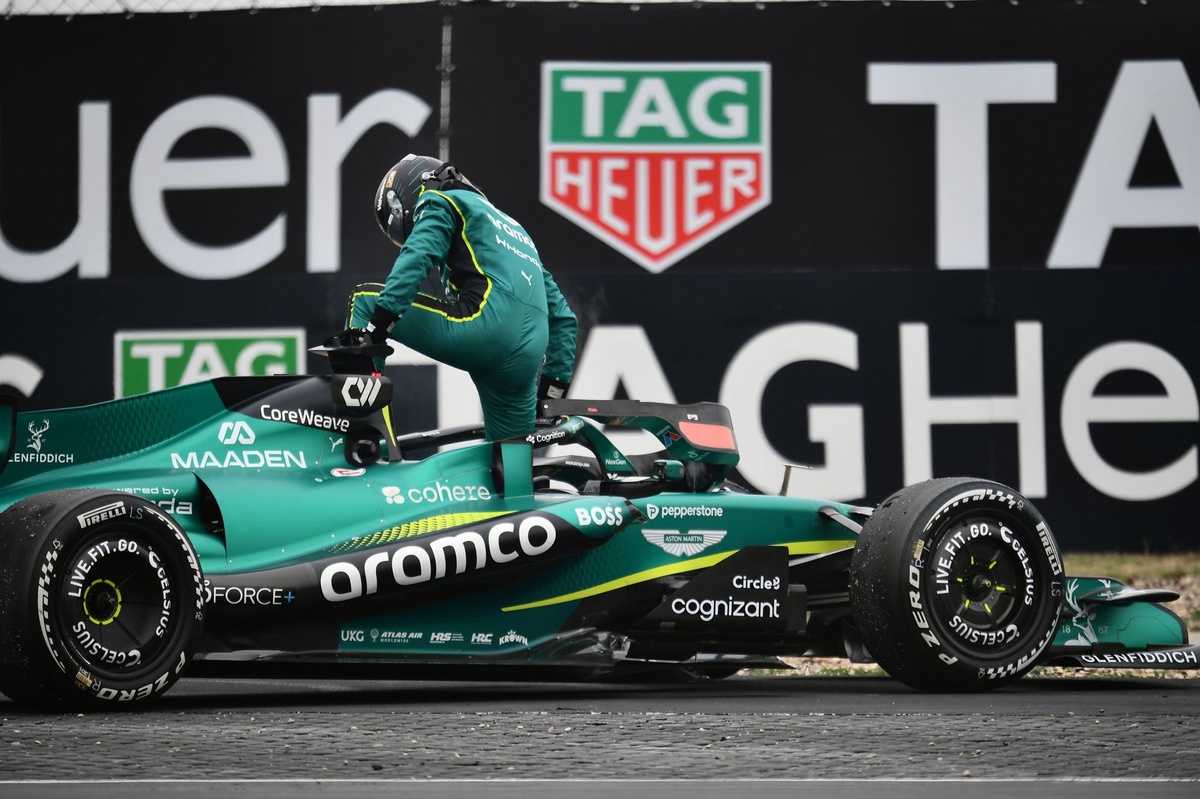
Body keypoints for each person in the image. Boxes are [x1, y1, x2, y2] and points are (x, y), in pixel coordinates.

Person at [343, 154, 578, 441]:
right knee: (510, 456)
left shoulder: (441, 198)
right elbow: (564, 318)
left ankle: (364, 435)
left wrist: (379, 326)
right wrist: (552, 395)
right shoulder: (517, 230)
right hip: (526, 359)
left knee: (364, 301)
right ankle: (513, 470)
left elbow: (419, 253)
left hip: (484, 327)